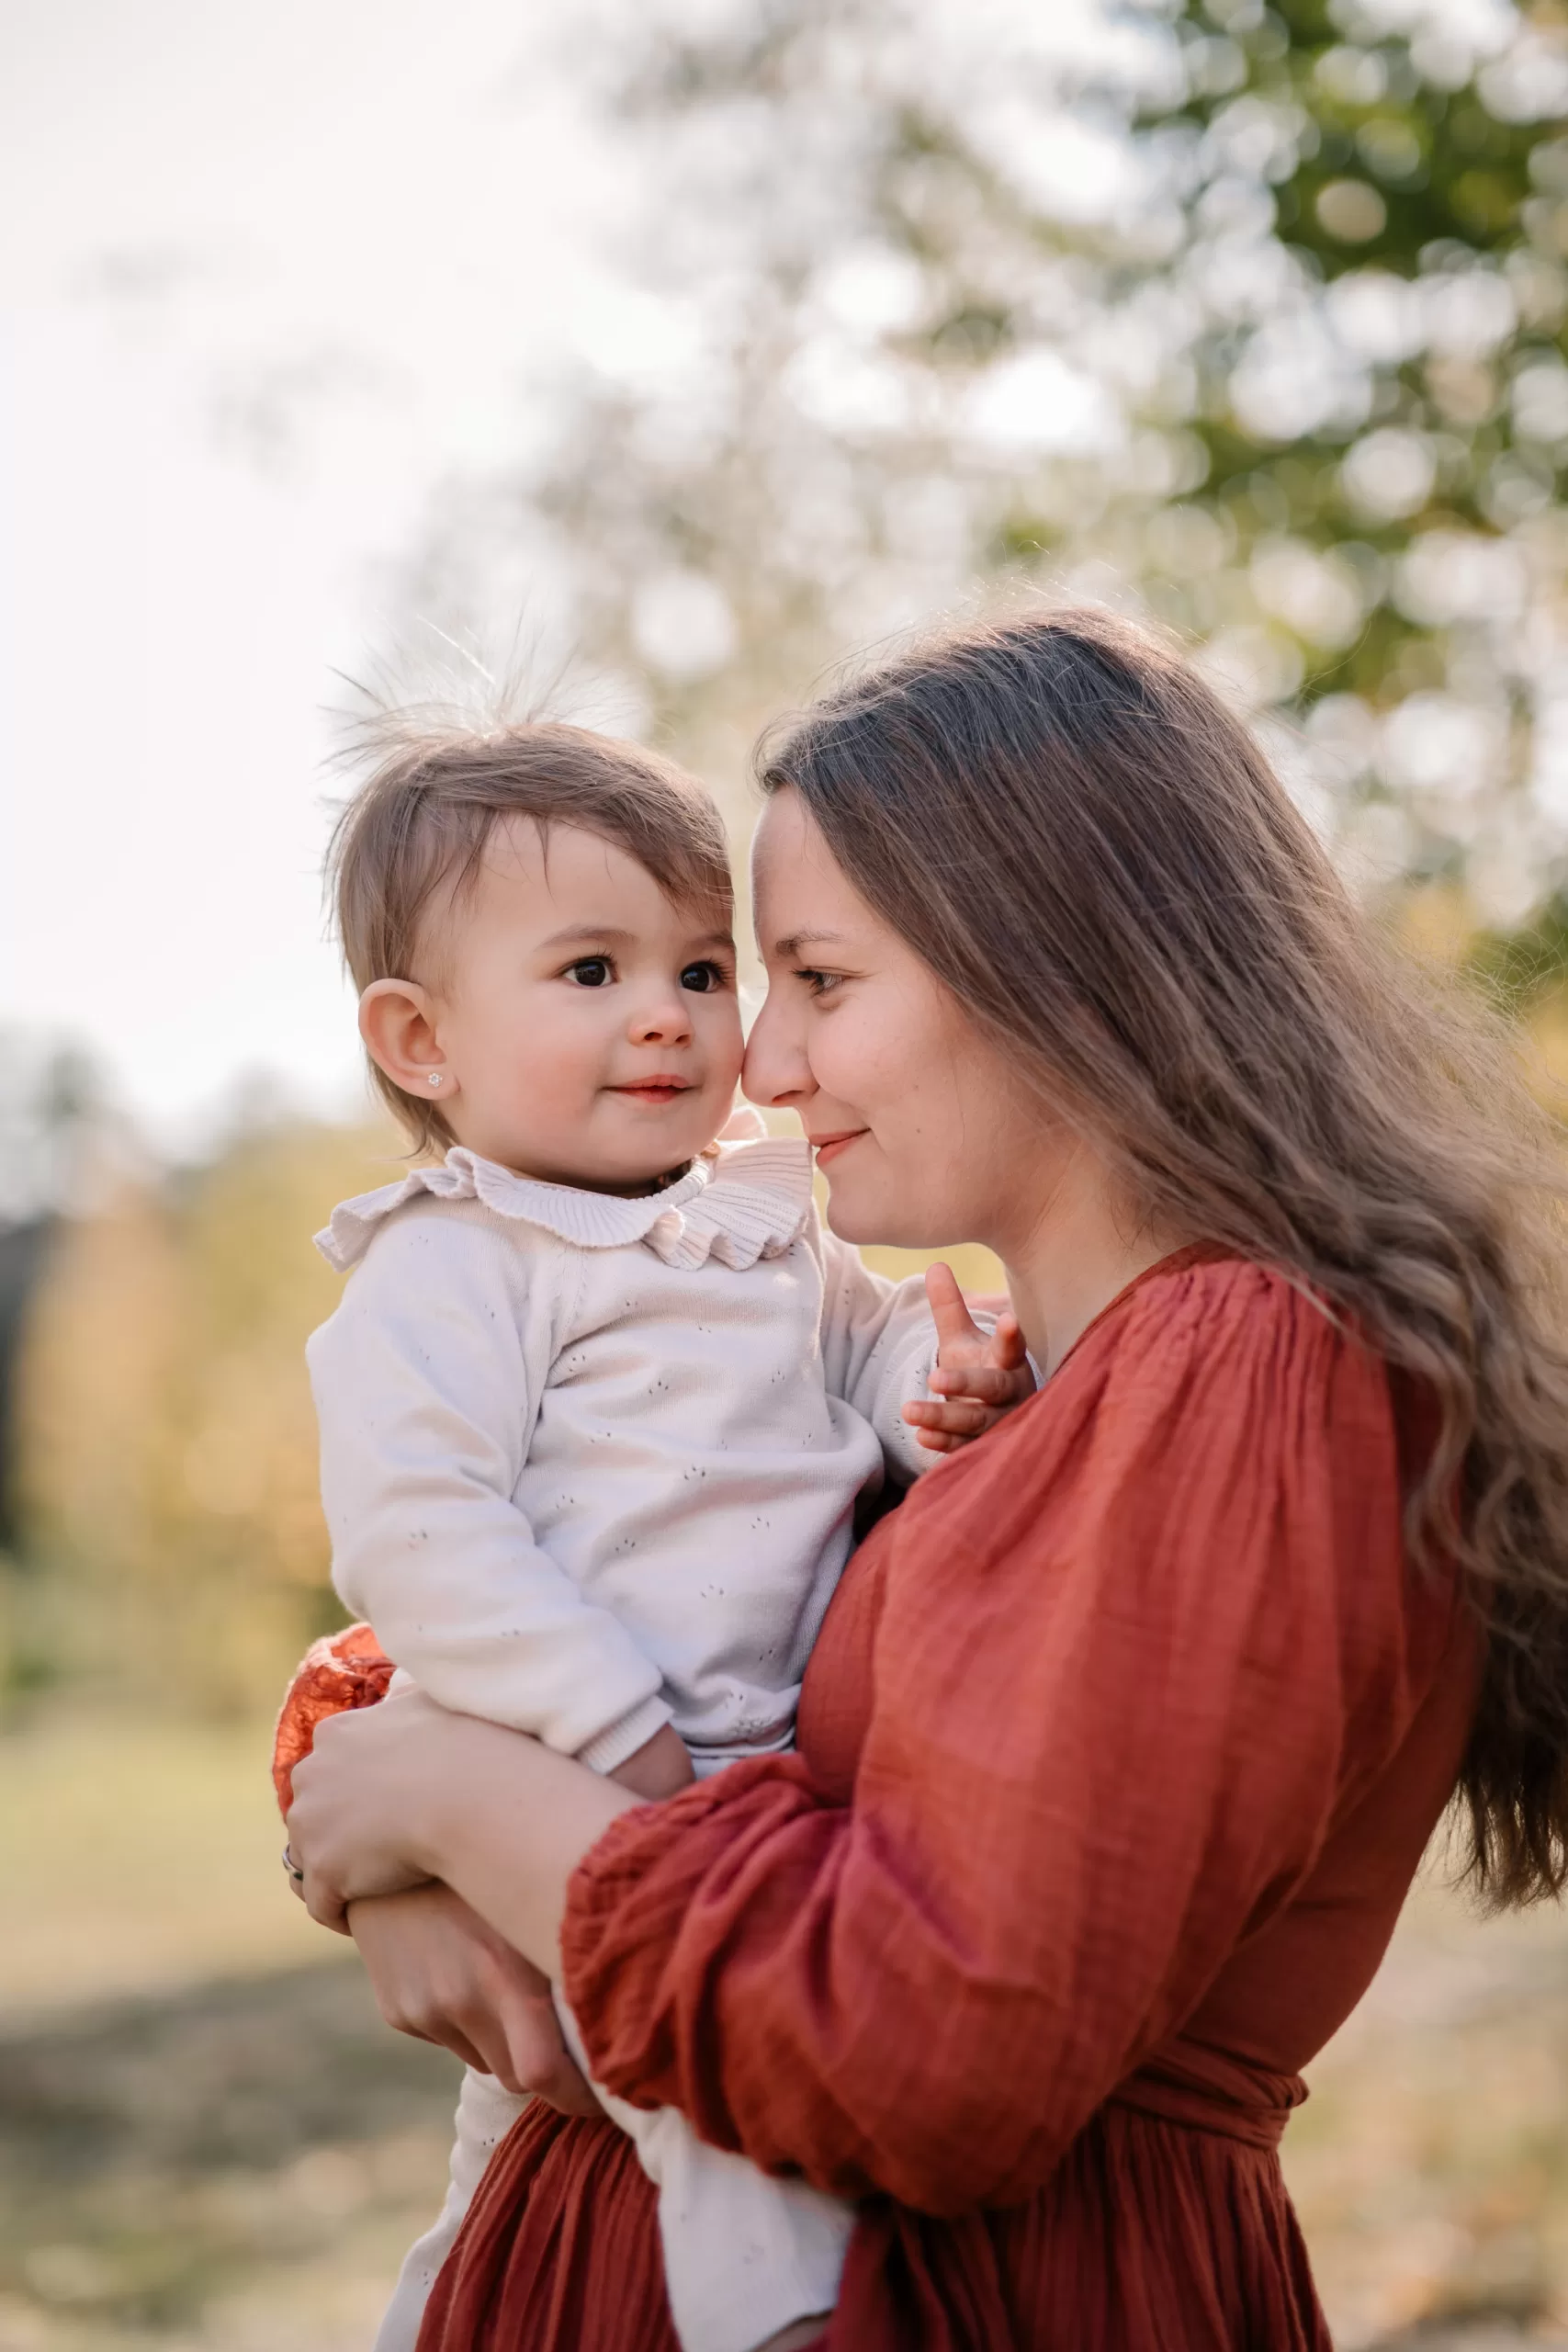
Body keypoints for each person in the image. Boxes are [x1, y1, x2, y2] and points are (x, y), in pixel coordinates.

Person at [285, 607, 1568, 2351]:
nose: (760, 1061)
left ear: (1063, 964)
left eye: (809, 979)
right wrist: (361, 1789)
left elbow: (929, 2058)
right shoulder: (1029, 1397)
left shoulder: (1241, 1368)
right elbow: (632, 1575)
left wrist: (457, 1813)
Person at [286, 715, 1030, 2352]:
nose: (668, 1019)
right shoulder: (455, 1263)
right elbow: (420, 1535)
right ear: (421, 1040)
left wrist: (948, 1371)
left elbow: (869, 1348)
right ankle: (723, 2267)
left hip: (753, 1758)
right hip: (580, 1746)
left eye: (703, 971)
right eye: (589, 973)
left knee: (578, 2101)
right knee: (556, 2118)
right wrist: (600, 1728)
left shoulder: (758, 1225)